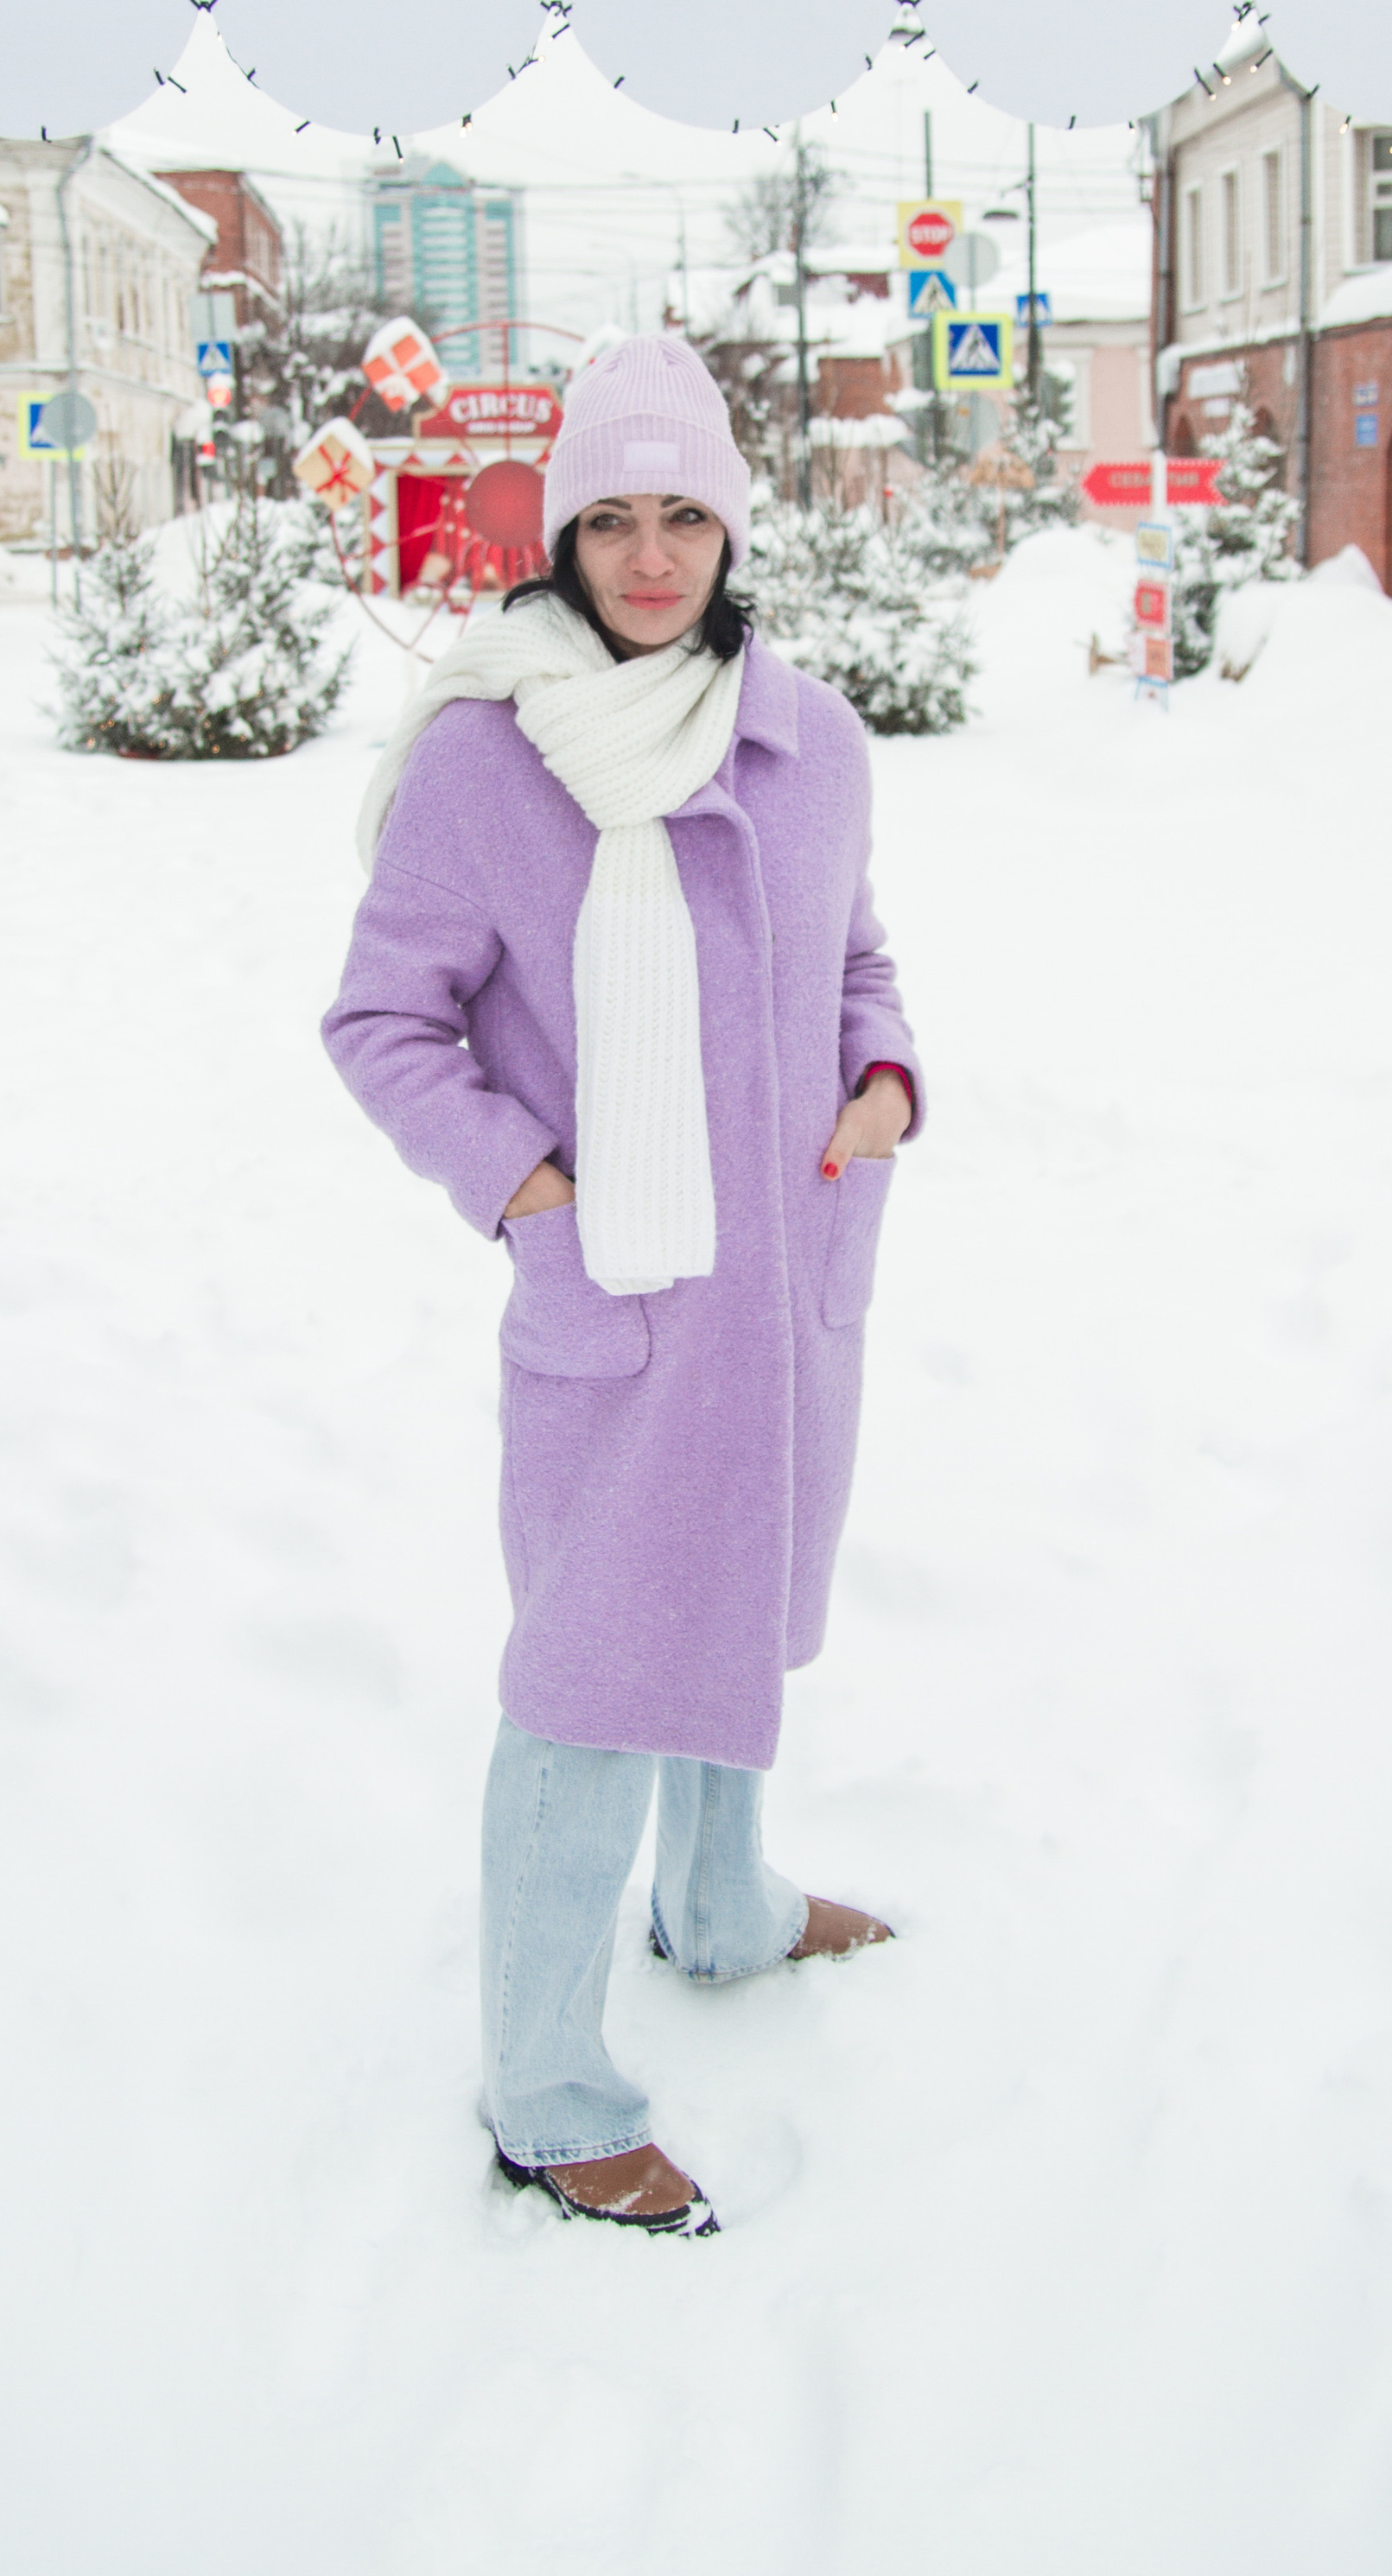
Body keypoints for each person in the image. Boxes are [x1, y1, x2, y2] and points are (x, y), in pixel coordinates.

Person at [322, 337, 920, 2238]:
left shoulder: (809, 739)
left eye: (682, 514)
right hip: (627, 1302)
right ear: (560, 534)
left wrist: (885, 1079)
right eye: (608, 517)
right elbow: (379, 1021)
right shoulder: (490, 761)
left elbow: (855, 961)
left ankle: (721, 1910)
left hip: (789, 1285)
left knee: (734, 1609)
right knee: (588, 1685)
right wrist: (527, 1186)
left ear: (731, 526)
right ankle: (546, 2089)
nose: (648, 554)